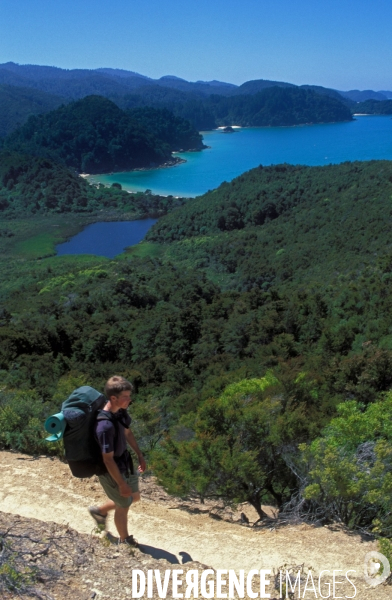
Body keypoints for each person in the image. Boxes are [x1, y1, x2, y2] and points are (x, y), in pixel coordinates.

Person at [88, 375, 146, 546]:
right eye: (125, 397)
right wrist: (121, 483)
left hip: (124, 462)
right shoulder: (104, 426)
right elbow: (107, 460)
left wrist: (139, 454)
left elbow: (126, 432)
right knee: (124, 504)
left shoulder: (119, 412)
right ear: (113, 398)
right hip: (111, 470)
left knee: (133, 497)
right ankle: (125, 540)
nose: (129, 400)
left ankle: (99, 511)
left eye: (129, 396)